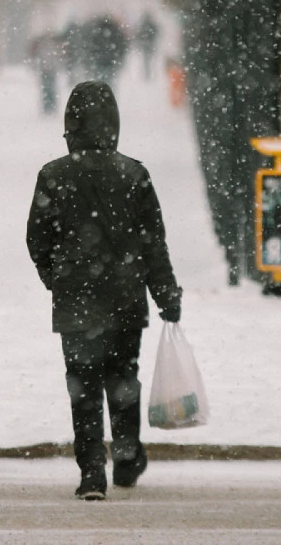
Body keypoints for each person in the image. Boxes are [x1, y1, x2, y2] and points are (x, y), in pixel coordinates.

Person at [26, 80, 183, 501]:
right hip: (126, 298)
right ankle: (127, 458)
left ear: (70, 124)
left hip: (76, 300)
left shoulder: (53, 175)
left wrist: (57, 278)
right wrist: (166, 294)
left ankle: (92, 471)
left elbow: (36, 241)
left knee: (82, 386)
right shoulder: (134, 174)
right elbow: (154, 243)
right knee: (123, 379)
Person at [134, 12, 160, 80]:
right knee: (150, 60)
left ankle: (147, 73)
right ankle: (150, 73)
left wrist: (141, 41)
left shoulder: (143, 26)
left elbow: (139, 35)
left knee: (147, 61)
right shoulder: (151, 25)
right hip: (150, 45)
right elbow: (156, 33)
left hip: (146, 45)